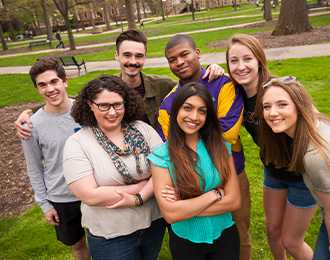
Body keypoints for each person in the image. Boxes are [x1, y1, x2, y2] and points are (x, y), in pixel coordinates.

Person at [225, 33, 330, 260]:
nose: (241, 66)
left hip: (303, 175)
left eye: (247, 59)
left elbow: (315, 117)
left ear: (259, 60)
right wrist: (213, 70)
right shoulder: (233, 92)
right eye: (233, 61)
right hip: (273, 170)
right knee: (272, 231)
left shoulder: (278, 88)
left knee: (292, 242)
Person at [255, 76, 330, 260]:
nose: (272, 113)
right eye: (267, 106)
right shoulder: (319, 122)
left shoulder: (315, 157)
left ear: (299, 106)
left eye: (282, 105)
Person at [15, 29, 223, 137]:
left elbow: (193, 91)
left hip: (161, 157)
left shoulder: (163, 85)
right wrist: (30, 112)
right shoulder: (105, 88)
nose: (133, 61)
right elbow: (70, 101)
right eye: (127, 55)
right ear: (116, 55)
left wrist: (212, 69)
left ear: (145, 57)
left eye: (139, 55)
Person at [157, 34, 252, 260]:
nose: (179, 62)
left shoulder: (224, 84)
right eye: (172, 59)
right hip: (188, 178)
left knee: (239, 234)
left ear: (197, 53)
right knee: (193, 231)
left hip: (231, 173)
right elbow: (172, 147)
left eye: (184, 54)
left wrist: (188, 130)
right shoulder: (167, 104)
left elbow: (228, 133)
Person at [62, 74, 166, 260]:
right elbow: (89, 195)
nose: (112, 112)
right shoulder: (77, 143)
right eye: (104, 106)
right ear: (90, 104)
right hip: (111, 235)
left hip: (153, 223)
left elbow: (165, 169)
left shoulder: (143, 129)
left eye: (118, 104)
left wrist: (139, 197)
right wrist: (139, 187)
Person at [148, 82, 241, 259]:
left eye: (202, 111)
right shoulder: (161, 157)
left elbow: (234, 201)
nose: (194, 116)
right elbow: (171, 215)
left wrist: (185, 206)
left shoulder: (222, 148)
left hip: (225, 237)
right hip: (185, 242)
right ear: (176, 110)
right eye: (188, 108)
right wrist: (215, 194)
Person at [20, 58, 90, 260]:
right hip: (62, 197)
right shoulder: (31, 126)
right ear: (37, 89)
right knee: (77, 246)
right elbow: (34, 168)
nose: (49, 89)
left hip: (95, 189)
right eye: (42, 85)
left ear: (65, 81)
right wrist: (44, 204)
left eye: (54, 82)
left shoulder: (87, 111)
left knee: (102, 240)